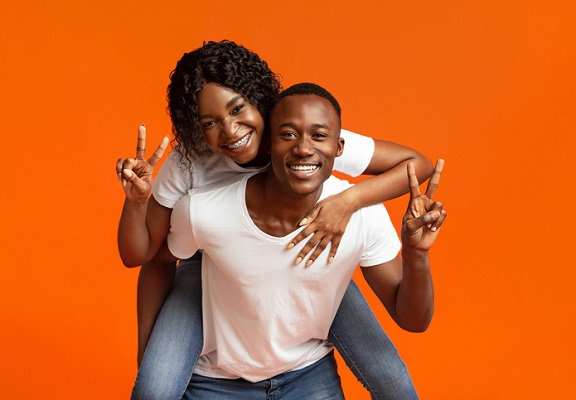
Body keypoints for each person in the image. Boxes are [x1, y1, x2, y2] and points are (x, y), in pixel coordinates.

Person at [117, 40, 434, 399]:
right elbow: (144, 254)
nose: (231, 130)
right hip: (210, 264)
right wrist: (151, 350)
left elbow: (417, 164)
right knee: (154, 387)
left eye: (238, 109)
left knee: (391, 376)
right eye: (210, 122)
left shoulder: (297, 134)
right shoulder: (190, 162)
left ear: (259, 99)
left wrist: (349, 201)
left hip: (308, 254)